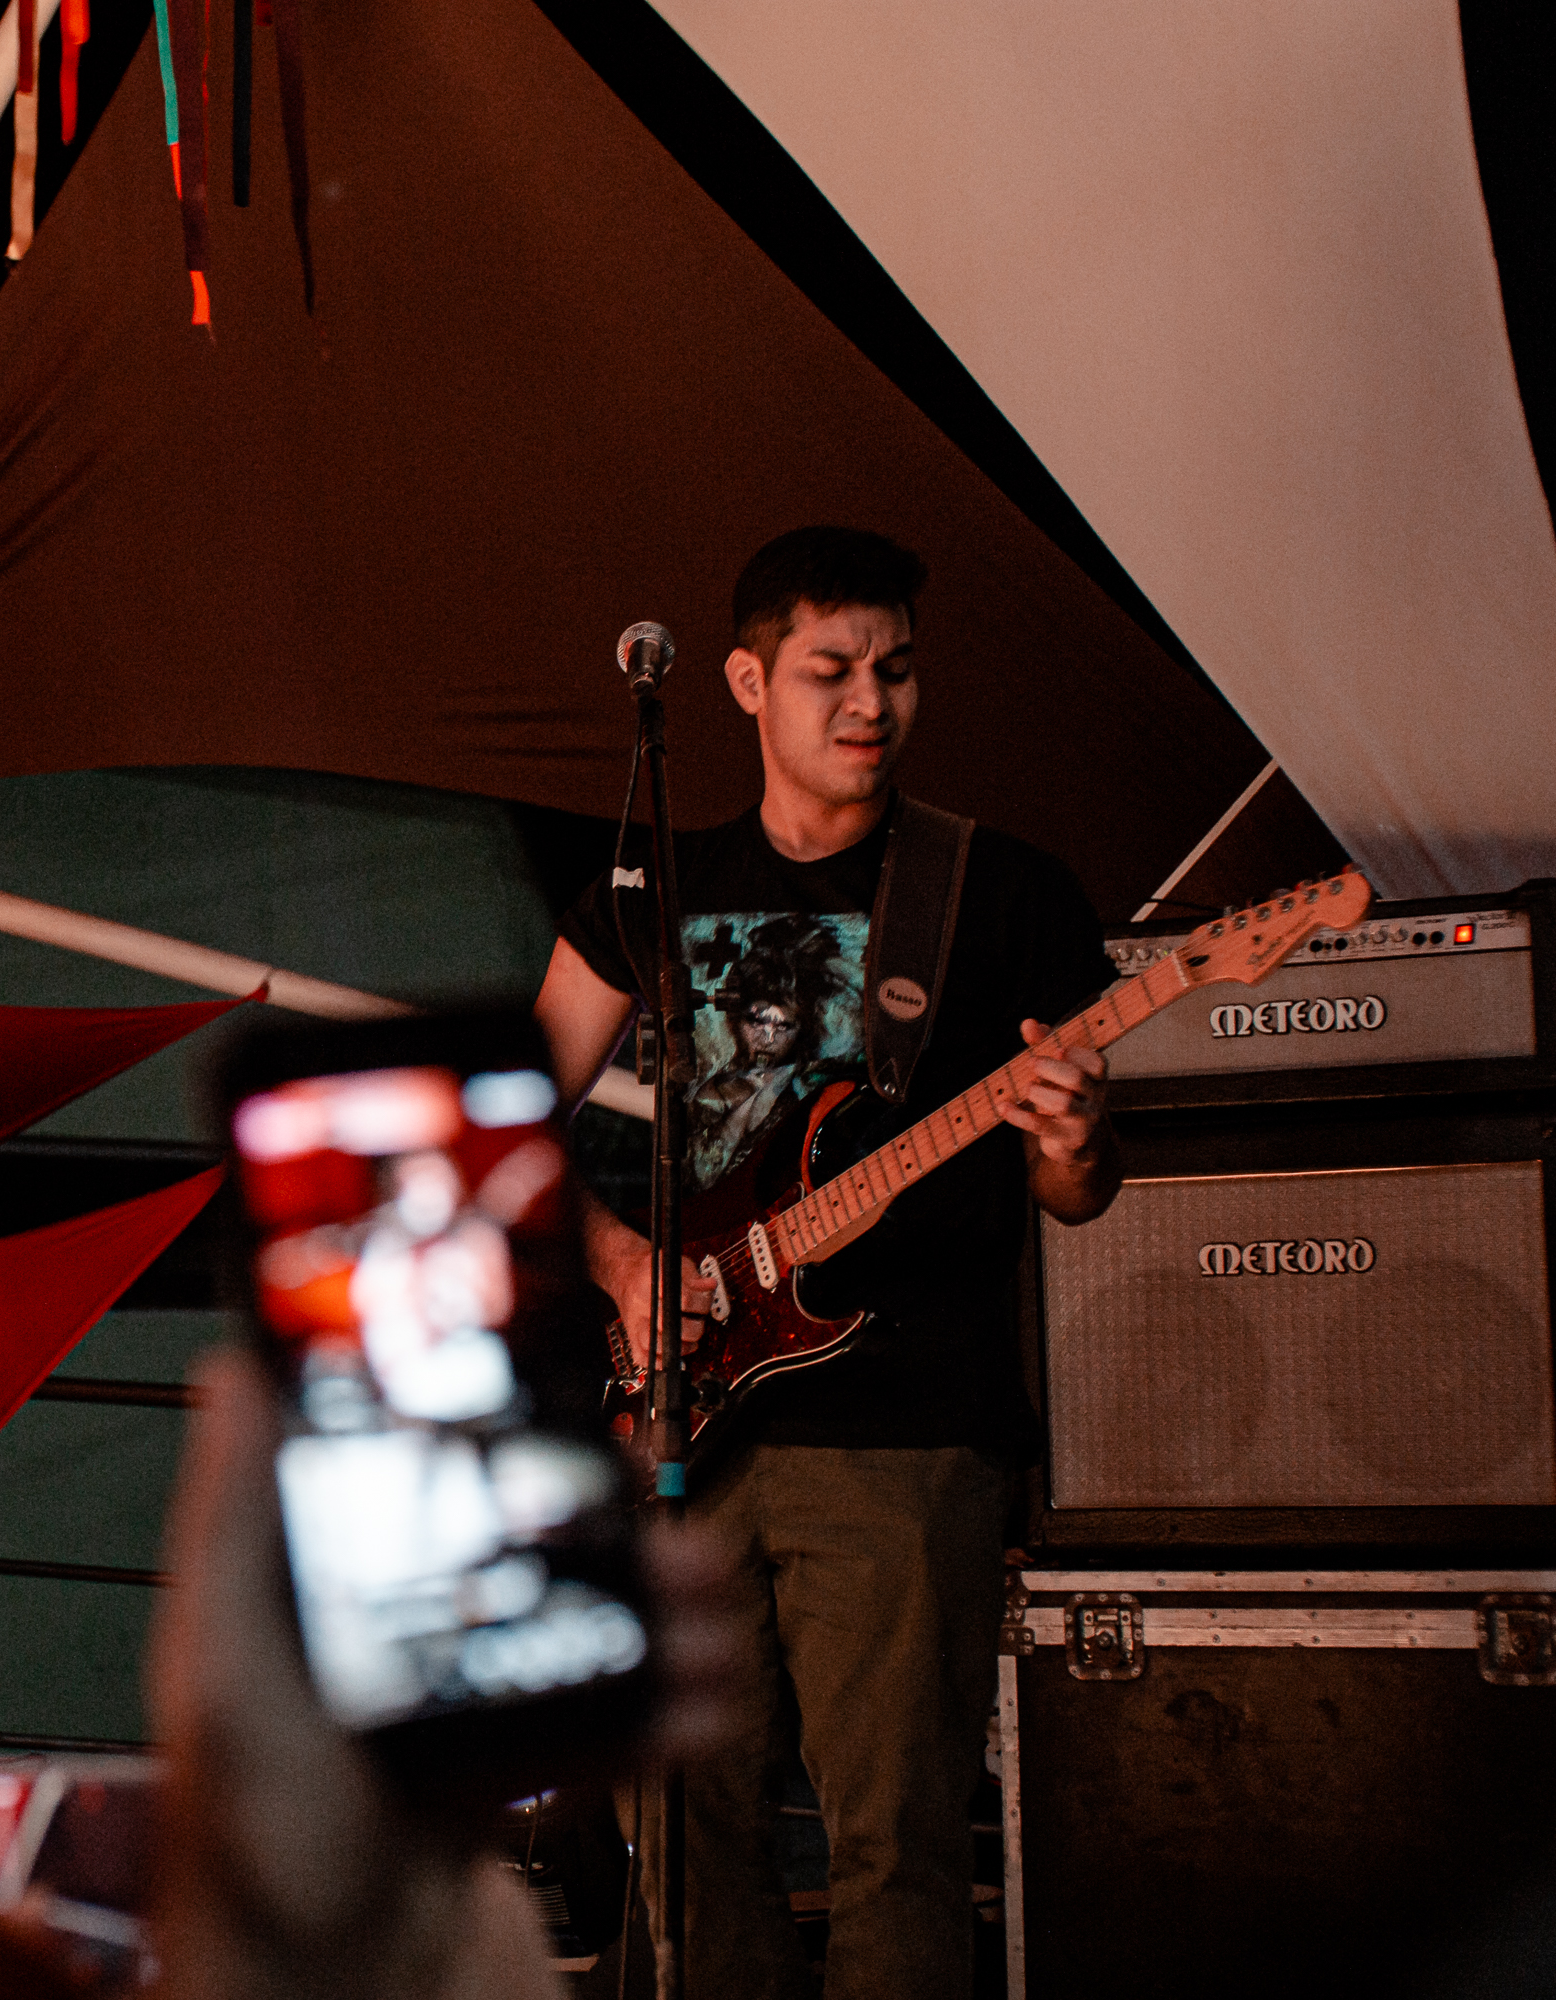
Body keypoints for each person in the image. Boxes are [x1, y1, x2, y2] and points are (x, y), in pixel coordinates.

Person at [533, 526, 1119, 2000]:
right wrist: (619, 1261)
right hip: (686, 1416)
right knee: (680, 1831)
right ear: (745, 682)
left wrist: (1068, 1140)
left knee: (895, 1842)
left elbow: (1078, 1194)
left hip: (907, 1428)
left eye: (897, 670)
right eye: (832, 670)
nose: (872, 702)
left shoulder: (1002, 891)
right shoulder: (655, 883)